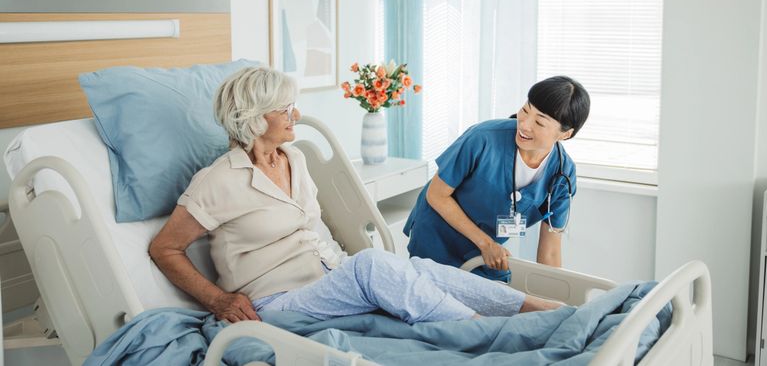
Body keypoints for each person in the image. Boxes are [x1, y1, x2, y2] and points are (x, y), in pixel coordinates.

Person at [149, 66, 560, 324]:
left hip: (328, 278)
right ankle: (481, 330)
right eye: (285, 109)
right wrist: (219, 301)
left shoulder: (295, 158)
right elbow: (165, 248)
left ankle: (540, 310)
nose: (296, 116)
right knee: (372, 265)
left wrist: (348, 271)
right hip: (276, 302)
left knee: (418, 269)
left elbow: (314, 230)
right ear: (254, 119)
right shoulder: (219, 180)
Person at [403, 76, 590, 281]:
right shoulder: (483, 138)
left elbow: (551, 250)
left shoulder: (563, 174)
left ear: (565, 134)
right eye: (525, 110)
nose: (525, 125)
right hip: (436, 240)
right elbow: (437, 195)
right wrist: (486, 244)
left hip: (483, 255)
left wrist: (555, 301)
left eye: (539, 122)